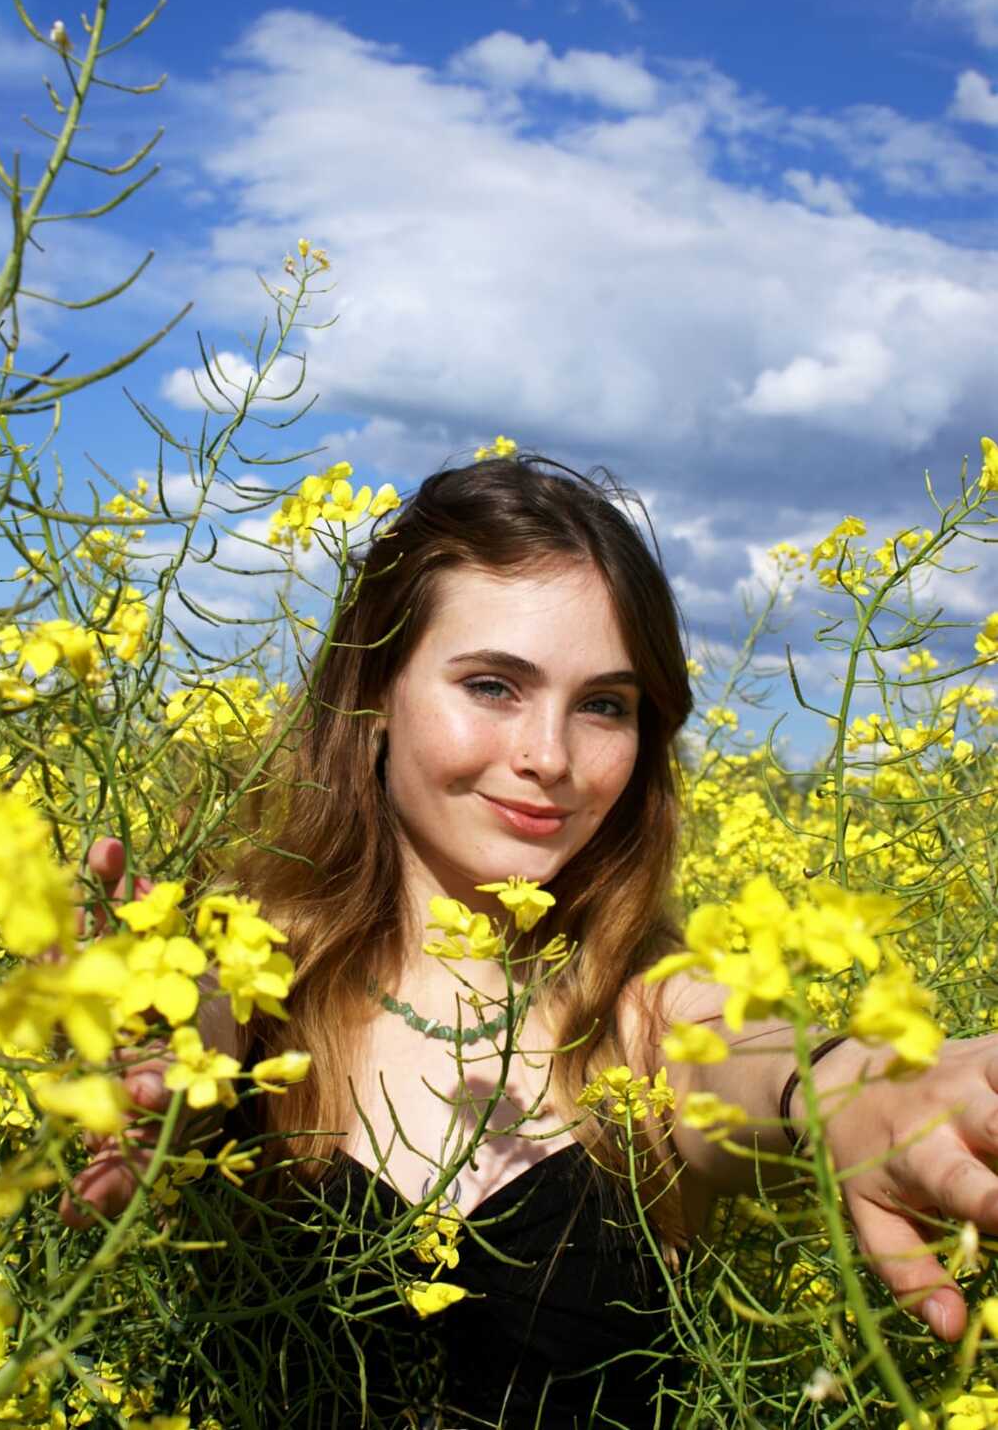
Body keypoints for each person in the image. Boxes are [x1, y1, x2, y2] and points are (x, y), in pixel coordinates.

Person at [63, 455, 998, 1426]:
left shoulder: (640, 1010)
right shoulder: (249, 980)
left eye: (603, 704)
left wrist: (849, 1087)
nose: (548, 758)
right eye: (492, 685)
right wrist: (166, 1051)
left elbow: (748, 1060)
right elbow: (199, 1022)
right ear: (374, 692)